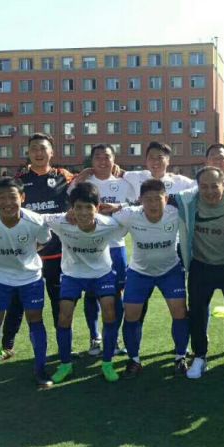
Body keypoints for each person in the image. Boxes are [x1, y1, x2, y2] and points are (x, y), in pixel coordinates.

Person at [170, 166, 224, 379]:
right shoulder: (188, 201)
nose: (209, 191)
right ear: (197, 187)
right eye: (204, 186)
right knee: (197, 312)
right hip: (201, 265)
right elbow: (155, 198)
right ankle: (200, 356)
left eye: (214, 186)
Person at [0, 133, 75, 361]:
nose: (39, 153)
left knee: (60, 303)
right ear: (28, 153)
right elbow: (5, 199)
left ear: (52, 152)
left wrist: (115, 169)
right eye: (34, 149)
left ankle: (64, 347)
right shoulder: (19, 179)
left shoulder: (65, 177)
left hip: (58, 252)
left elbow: (88, 183)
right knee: (17, 303)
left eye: (43, 148)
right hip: (27, 253)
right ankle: (7, 346)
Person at [0, 177, 53, 391]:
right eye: (1, 197)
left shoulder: (36, 221)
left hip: (30, 278)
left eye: (12, 197)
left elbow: (44, 241)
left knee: (35, 320)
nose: (7, 202)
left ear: (22, 198)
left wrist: (27, 254)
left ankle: (41, 370)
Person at [42, 182, 126, 384]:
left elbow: (135, 213)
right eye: (78, 207)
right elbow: (36, 217)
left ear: (97, 208)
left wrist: (119, 206)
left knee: (110, 312)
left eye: (88, 207)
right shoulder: (61, 221)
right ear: (71, 208)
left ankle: (107, 363)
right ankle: (65, 364)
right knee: (64, 316)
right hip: (72, 274)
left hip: (102, 274)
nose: (83, 212)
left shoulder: (109, 224)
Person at [104, 178, 188, 377]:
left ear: (166, 199)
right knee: (131, 314)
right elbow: (103, 219)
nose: (153, 204)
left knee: (179, 312)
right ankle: (134, 359)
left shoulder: (176, 213)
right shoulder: (130, 214)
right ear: (140, 200)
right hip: (139, 272)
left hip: (170, 270)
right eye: (148, 199)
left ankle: (180, 357)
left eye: (158, 199)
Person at [68, 144, 135, 356]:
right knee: (91, 294)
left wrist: (118, 207)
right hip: (89, 247)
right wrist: (79, 177)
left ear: (114, 160)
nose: (102, 161)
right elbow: (69, 203)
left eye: (107, 157)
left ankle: (112, 339)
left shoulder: (125, 184)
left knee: (116, 295)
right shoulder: (83, 182)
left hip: (115, 246)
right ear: (92, 160)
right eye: (97, 157)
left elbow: (136, 206)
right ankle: (95, 338)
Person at [123, 141, 195, 197]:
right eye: (151, 157)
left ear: (168, 161)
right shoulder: (137, 176)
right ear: (146, 161)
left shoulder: (180, 181)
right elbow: (119, 172)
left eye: (160, 157)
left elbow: (198, 185)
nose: (155, 161)